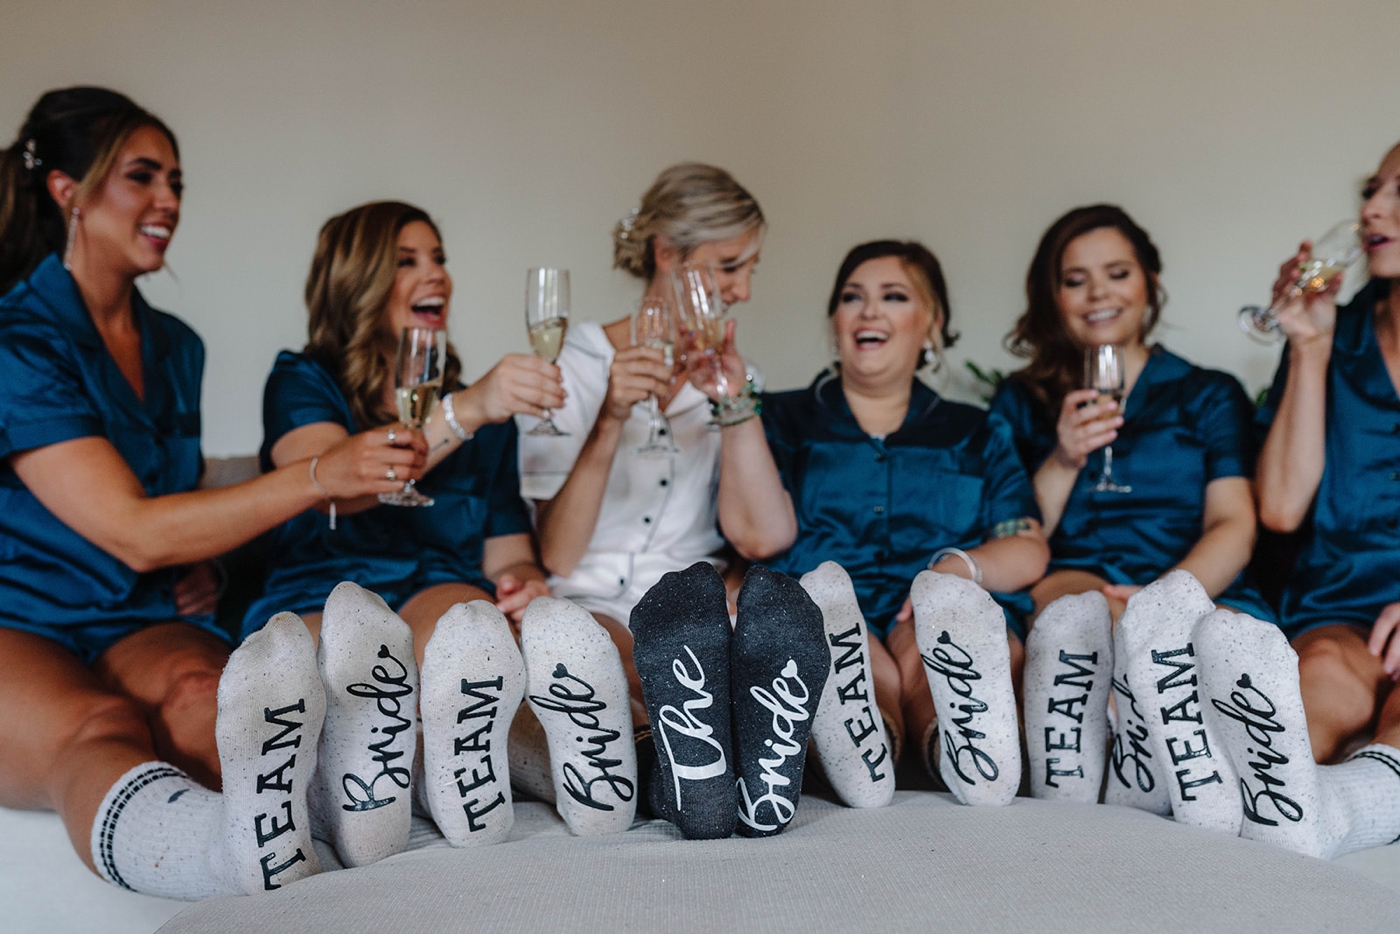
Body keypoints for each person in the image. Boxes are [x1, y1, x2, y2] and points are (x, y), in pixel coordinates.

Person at [0, 87, 422, 898]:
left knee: (213, 697)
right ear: (67, 192)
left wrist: (220, 572)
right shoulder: (17, 341)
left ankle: (367, 822)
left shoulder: (175, 345)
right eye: (143, 177)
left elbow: (172, 497)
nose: (169, 202)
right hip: (22, 617)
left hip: (135, 611)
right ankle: (230, 860)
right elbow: (134, 527)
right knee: (103, 726)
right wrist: (314, 478)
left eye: (178, 182)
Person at [716, 239, 1049, 775]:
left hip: (929, 605)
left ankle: (959, 746)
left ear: (932, 323)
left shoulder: (976, 430)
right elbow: (756, 539)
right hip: (819, 607)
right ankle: (868, 747)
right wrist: (734, 403)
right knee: (852, 652)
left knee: (935, 645)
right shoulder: (778, 417)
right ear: (836, 322)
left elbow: (1027, 545)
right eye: (853, 297)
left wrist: (957, 570)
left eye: (893, 296)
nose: (869, 311)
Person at [1192, 142, 1400, 860]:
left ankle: (1343, 808)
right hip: (1340, 604)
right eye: (1373, 190)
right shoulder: (1333, 330)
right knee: (1321, 678)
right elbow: (1280, 508)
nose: (1372, 208)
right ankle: (1230, 792)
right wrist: (1308, 345)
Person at [242, 200, 556, 650]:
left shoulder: (487, 416)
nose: (437, 276)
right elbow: (327, 485)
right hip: (319, 593)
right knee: (321, 653)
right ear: (357, 282)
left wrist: (525, 586)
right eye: (405, 262)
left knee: (473, 634)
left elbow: (511, 558)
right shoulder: (302, 382)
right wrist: (464, 412)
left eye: (439, 259)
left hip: (440, 590)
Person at [517, 163, 763, 722]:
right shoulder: (567, 365)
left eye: (750, 269)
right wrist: (610, 419)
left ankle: (673, 745)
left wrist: (734, 402)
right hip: (589, 603)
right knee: (596, 654)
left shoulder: (738, 379)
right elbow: (556, 555)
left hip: (695, 603)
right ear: (666, 254)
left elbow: (762, 535)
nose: (742, 291)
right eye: (728, 266)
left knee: (703, 647)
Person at [990, 204, 1272, 625]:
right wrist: (1064, 460)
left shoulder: (1209, 393)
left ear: (1150, 283)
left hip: (1195, 582)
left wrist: (1165, 600)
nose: (1099, 293)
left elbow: (1233, 523)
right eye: (1075, 281)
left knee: (1222, 645)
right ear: (1054, 296)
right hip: (1074, 581)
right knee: (1080, 623)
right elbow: (1015, 541)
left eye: (1118, 274)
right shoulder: (1021, 398)